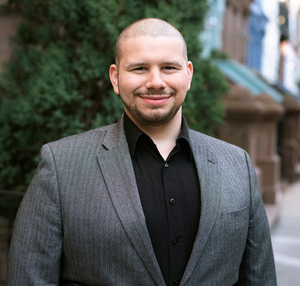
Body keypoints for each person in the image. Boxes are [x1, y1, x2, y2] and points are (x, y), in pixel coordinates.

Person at [7, 18, 276, 285]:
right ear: (115, 77)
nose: (155, 81)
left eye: (169, 67)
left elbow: (260, 277)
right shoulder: (60, 165)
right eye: (139, 68)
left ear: (189, 74)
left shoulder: (237, 163)